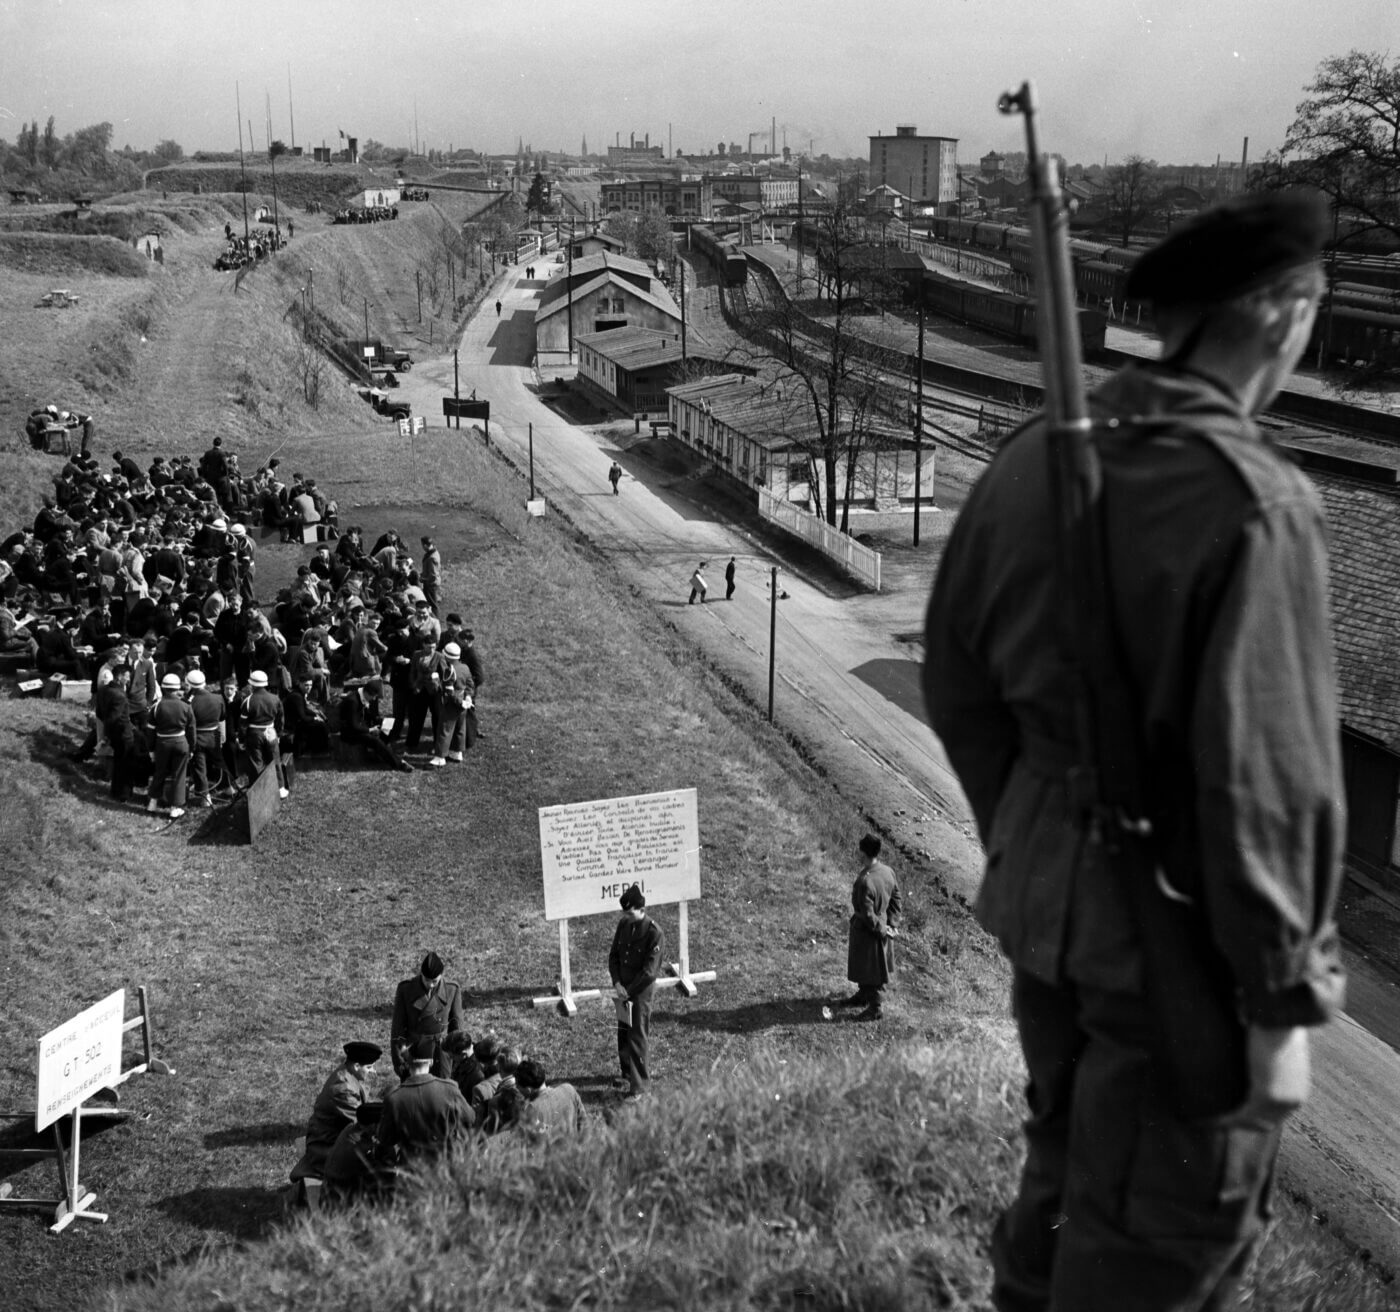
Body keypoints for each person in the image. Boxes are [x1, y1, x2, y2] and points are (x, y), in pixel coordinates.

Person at [922, 191, 1346, 1312]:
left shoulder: (1026, 464)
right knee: (1160, 1241)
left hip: (1048, 931)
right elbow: (1265, 785)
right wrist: (1276, 1005)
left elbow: (957, 689)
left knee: (1060, 1190)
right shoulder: (1252, 503)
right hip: (1181, 960)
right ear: (1277, 313)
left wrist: (1032, 835)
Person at [289, 1041, 382, 1189]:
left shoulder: (348, 1074)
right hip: (325, 1148)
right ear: (357, 1066)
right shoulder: (343, 1089)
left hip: (330, 1139)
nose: (373, 1071)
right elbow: (363, 1121)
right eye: (369, 1067)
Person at [375, 1036, 474, 1166]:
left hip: (412, 1167)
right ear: (431, 1062)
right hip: (445, 1163)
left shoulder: (394, 1098)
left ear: (408, 1063)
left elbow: (386, 1138)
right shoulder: (450, 1088)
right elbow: (470, 1118)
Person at [608, 883, 664, 1100]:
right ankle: (626, 1073)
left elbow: (649, 973)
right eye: (625, 912)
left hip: (639, 993)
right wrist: (616, 983)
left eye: (630, 912)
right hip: (623, 989)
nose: (626, 916)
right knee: (623, 1031)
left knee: (637, 1036)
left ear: (641, 909)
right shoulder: (624, 924)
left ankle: (639, 1086)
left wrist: (628, 990)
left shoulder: (654, 933)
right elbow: (614, 956)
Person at [839, 834, 901, 1020]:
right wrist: (892, 924)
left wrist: (882, 930)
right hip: (882, 927)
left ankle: (875, 1008)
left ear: (863, 853)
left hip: (868, 932)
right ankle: (863, 995)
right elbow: (896, 898)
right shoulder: (888, 871)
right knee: (870, 967)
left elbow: (866, 914)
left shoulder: (864, 881)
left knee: (872, 970)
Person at [390, 951, 464, 1080]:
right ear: (421, 975)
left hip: (441, 1052)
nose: (430, 985)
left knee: (441, 1092)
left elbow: (456, 1027)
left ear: (441, 976)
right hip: (414, 1051)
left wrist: (457, 1056)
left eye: (434, 981)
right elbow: (398, 1028)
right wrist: (399, 1060)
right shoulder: (406, 990)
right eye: (427, 980)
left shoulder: (452, 990)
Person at [339, 677, 414, 772]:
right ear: (367, 693)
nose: (374, 699)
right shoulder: (353, 701)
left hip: (360, 726)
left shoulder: (361, 697)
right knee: (374, 740)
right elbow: (353, 725)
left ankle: (382, 754)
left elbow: (367, 716)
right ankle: (399, 764)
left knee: (387, 728)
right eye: (373, 696)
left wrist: (381, 722)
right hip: (350, 733)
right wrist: (370, 730)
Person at [147, 671, 194, 818]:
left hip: (162, 743)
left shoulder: (156, 706)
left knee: (159, 772)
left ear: (163, 688)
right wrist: (192, 748)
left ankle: (152, 803)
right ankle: (175, 808)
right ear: (178, 688)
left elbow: (150, 731)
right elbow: (191, 730)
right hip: (181, 742)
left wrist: (151, 749)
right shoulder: (186, 706)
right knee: (179, 775)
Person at [517, 1058, 586, 1138]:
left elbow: (531, 1143)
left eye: (518, 1086)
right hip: (574, 1146)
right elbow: (583, 1121)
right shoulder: (568, 1089)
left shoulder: (531, 1110)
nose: (516, 1088)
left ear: (528, 1089)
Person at [419, 536, 442, 617]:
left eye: (422, 545)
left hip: (431, 584)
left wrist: (423, 579)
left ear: (425, 545)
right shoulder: (434, 552)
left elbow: (433, 576)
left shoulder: (432, 558)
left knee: (432, 604)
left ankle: (436, 621)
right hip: (432, 583)